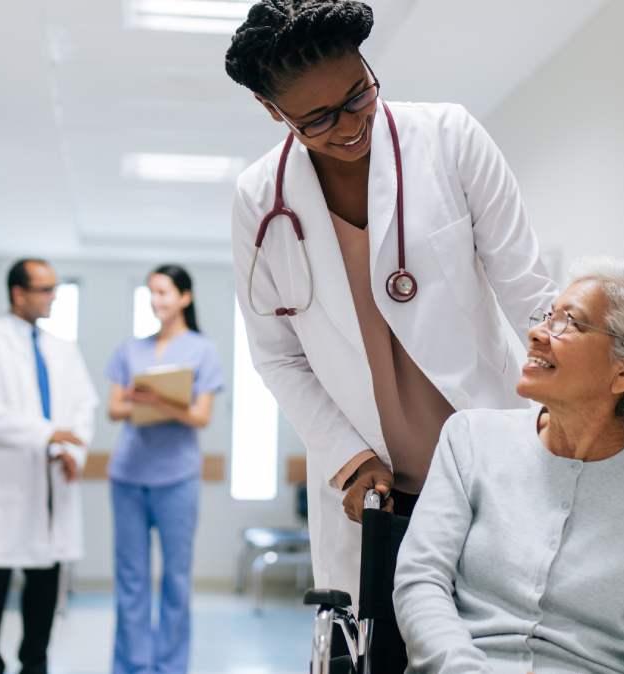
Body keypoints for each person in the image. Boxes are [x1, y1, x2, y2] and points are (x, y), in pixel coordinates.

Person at [225, 0, 557, 602]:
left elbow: (528, 291)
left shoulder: (448, 139)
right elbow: (277, 356)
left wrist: (574, 405)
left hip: (490, 458)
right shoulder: (259, 199)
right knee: (377, 646)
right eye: (318, 119)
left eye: (358, 95)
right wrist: (348, 458)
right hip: (371, 488)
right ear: (271, 110)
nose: (350, 126)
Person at [394, 257, 624, 674]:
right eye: (548, 316)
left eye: (572, 323)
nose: (536, 332)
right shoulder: (471, 438)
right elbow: (422, 581)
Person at [0, 258, 98, 674]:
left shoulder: (62, 349)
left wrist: (71, 452)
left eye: (55, 288)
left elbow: (84, 406)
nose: (53, 296)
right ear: (18, 293)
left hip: (52, 480)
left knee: (43, 587)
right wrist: (47, 433)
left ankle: (34, 665)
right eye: (45, 289)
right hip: (7, 480)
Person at [104, 264, 224, 674]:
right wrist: (145, 401)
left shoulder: (202, 350)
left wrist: (158, 402)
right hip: (127, 477)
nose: (156, 301)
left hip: (177, 480)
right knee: (131, 580)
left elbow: (201, 417)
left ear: (184, 298)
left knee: (175, 579)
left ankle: (169, 667)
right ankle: (132, 666)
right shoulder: (130, 349)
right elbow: (114, 407)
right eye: (151, 293)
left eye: (164, 293)